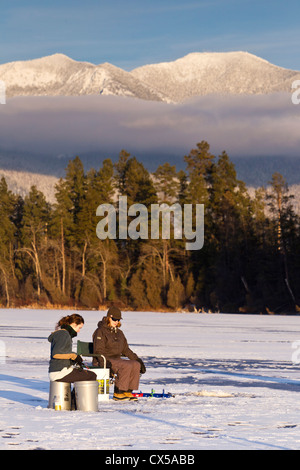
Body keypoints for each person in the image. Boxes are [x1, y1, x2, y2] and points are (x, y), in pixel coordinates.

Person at [92, 306, 146, 401]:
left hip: (117, 360)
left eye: (118, 320)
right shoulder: (100, 332)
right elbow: (98, 350)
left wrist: (137, 360)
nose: (116, 322)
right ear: (108, 317)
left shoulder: (120, 333)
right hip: (105, 360)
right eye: (114, 319)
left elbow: (126, 350)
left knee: (135, 364)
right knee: (126, 365)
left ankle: (128, 391)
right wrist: (104, 363)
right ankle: (119, 392)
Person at [48, 313, 96, 383]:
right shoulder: (64, 334)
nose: (79, 331)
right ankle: (77, 394)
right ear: (74, 324)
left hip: (60, 371)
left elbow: (63, 353)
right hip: (60, 372)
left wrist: (74, 360)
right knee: (91, 375)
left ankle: (75, 393)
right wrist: (73, 356)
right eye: (79, 328)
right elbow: (56, 354)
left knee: (84, 374)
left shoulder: (63, 333)